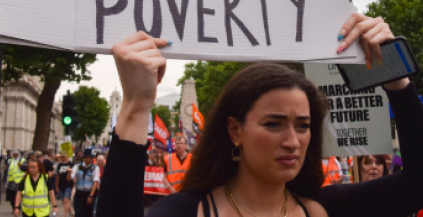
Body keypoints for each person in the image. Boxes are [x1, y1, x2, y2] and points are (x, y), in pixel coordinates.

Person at [96, 15, 423, 217]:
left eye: (303, 125)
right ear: (235, 130)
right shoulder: (186, 211)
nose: (292, 141)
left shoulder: (329, 206)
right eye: (274, 123)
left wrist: (396, 76)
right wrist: (136, 107)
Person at [67, 149, 99, 217]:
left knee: (88, 214)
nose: (90, 159)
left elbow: (95, 182)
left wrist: (91, 196)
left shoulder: (95, 168)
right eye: (89, 157)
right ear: (84, 158)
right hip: (79, 194)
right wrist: (69, 172)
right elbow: (70, 178)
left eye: (91, 157)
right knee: (78, 213)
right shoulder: (77, 166)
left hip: (88, 194)